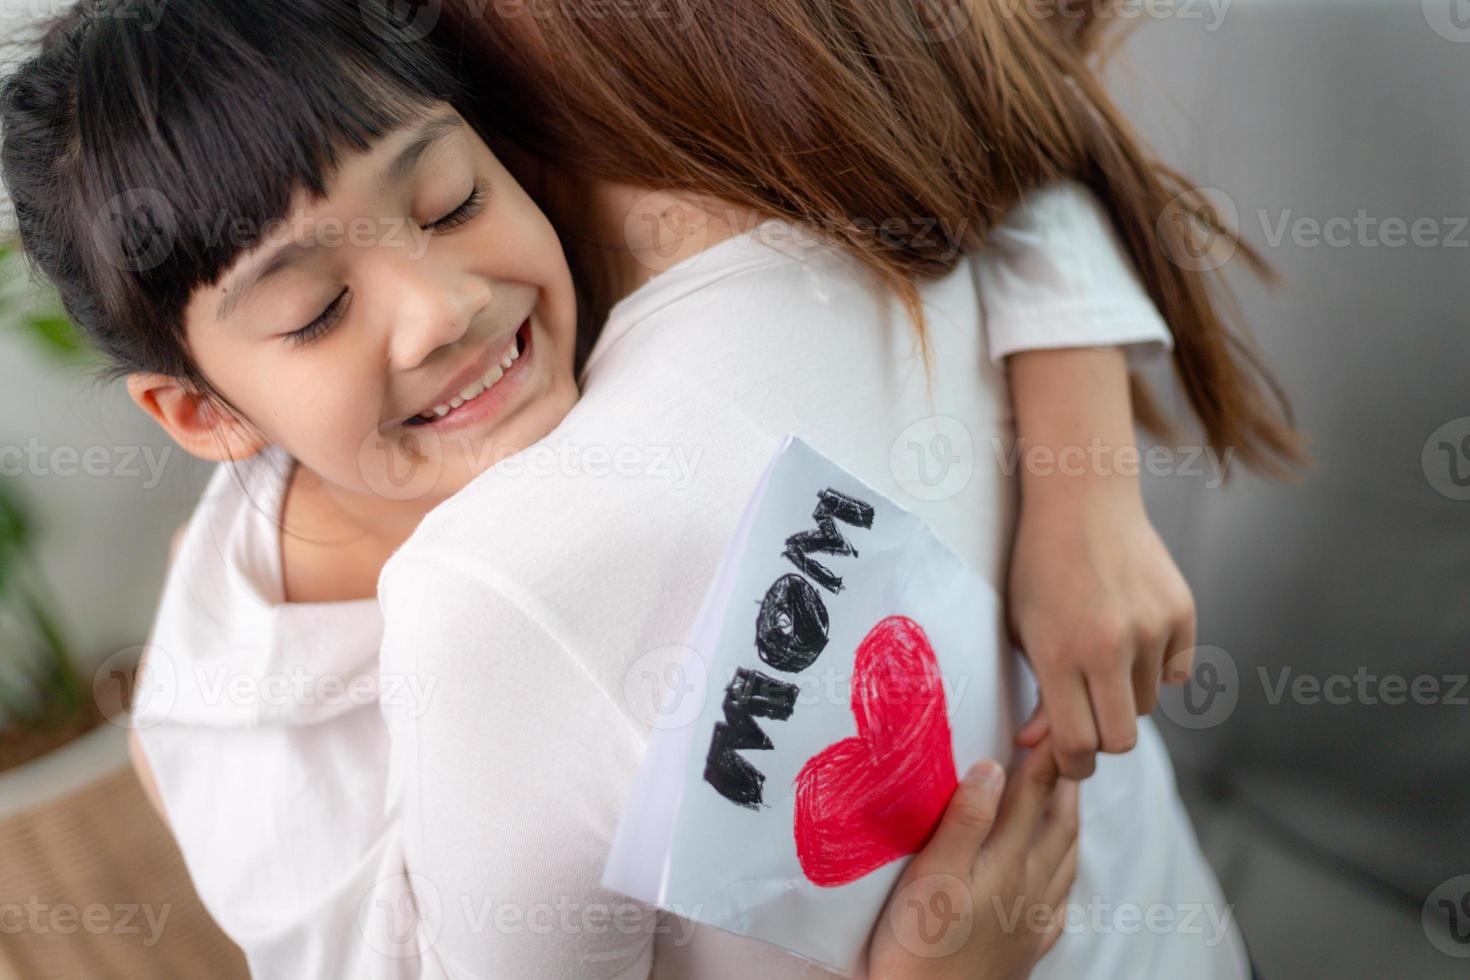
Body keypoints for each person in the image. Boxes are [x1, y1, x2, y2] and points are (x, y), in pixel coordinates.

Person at [0, 1, 1221, 976]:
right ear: (202, 414)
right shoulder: (250, 753)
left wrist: (1084, 487)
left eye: (452, 202)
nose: (445, 310)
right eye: (317, 311)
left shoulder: (601, 243)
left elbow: (943, 129)